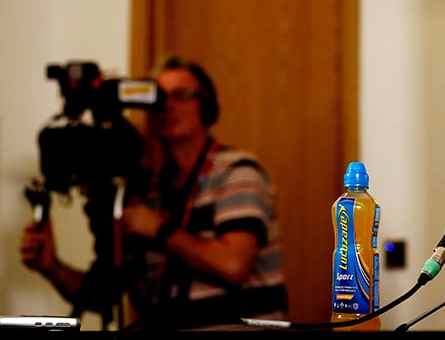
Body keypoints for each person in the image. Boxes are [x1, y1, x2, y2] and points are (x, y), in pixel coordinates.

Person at [20, 55, 288, 330]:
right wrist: (52, 266)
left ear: (206, 106)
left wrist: (159, 229)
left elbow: (232, 265)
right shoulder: (149, 194)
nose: (168, 106)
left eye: (181, 95)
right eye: (159, 98)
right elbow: (105, 298)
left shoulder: (237, 171)